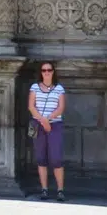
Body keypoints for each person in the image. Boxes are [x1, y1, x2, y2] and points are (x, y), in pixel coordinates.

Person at [29, 61, 66, 201]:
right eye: (44, 70)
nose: (46, 72)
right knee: (41, 158)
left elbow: (61, 108)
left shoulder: (59, 89)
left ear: (53, 72)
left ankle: (60, 190)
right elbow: (31, 107)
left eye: (49, 70)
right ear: (41, 72)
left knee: (56, 158)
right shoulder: (34, 87)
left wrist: (48, 119)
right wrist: (43, 121)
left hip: (55, 124)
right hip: (37, 124)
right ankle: (44, 189)